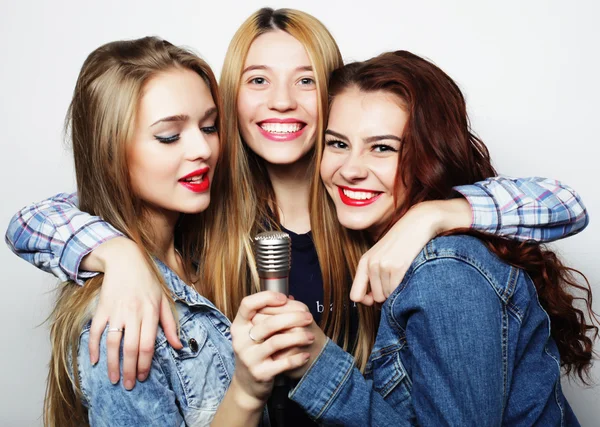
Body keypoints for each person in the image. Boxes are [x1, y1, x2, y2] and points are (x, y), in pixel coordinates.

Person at [5, 7, 590, 425]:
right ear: (231, 98)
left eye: (305, 80)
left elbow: (564, 202)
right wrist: (118, 255)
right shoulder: (204, 209)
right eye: (258, 81)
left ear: (331, 99)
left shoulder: (364, 211)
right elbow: (44, 212)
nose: (281, 101)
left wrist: (432, 215)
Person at [273, 50, 598, 426]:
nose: (351, 169)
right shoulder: (379, 246)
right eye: (338, 144)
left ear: (431, 155)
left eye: (383, 148)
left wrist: (319, 367)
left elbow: (567, 204)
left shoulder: (446, 268)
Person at [41, 35, 312, 427]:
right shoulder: (122, 322)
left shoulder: (201, 247)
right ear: (109, 152)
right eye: (169, 136)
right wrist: (248, 391)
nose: (202, 148)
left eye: (209, 126)